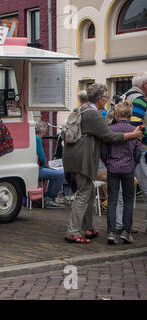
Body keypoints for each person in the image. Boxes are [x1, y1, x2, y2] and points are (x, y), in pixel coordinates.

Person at [63, 83, 142, 244]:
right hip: (82, 159)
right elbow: (109, 137)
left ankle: (88, 228)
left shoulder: (83, 109)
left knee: (89, 191)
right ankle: (72, 231)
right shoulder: (93, 114)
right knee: (83, 193)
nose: (107, 100)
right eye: (105, 97)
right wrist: (133, 134)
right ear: (99, 98)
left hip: (73, 156)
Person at [105, 101, 142, 244]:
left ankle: (111, 232)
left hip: (113, 168)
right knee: (128, 201)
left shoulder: (110, 129)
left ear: (117, 114)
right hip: (128, 169)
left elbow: (103, 150)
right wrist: (133, 164)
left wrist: (108, 162)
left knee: (112, 200)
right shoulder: (136, 130)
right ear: (131, 115)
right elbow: (138, 154)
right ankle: (126, 231)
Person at [125, 72, 147, 233]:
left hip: (126, 150)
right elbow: (136, 125)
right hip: (140, 150)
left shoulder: (125, 96)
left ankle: (124, 225)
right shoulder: (140, 100)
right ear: (145, 85)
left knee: (126, 191)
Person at [35, 121, 65, 209]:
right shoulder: (37, 139)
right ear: (43, 131)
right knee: (59, 174)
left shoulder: (31, 137)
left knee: (54, 172)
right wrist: (46, 165)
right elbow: (41, 156)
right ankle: (49, 198)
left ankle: (47, 197)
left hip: (32, 169)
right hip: (37, 170)